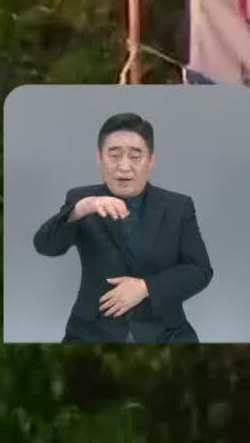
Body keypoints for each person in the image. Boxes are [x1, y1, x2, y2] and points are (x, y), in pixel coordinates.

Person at [32, 112, 213, 342]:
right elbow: (46, 246)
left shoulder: (178, 207)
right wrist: (82, 208)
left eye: (135, 156)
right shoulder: (81, 199)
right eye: (114, 155)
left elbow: (200, 270)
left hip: (165, 331)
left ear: (151, 159)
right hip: (92, 330)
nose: (124, 167)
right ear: (99, 157)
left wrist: (146, 287)